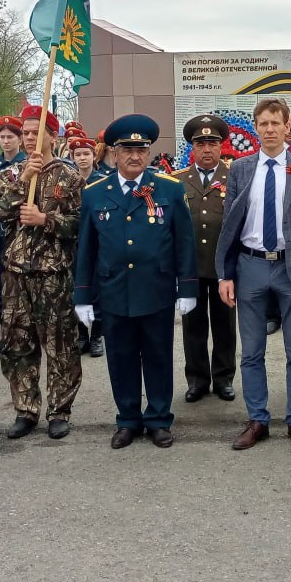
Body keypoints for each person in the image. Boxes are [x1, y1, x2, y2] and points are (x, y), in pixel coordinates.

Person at [75, 114, 196, 449]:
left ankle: (158, 418)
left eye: (141, 149)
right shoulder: (95, 193)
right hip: (113, 291)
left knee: (158, 356)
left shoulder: (169, 189)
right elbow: (86, 248)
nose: (134, 155)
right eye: (126, 148)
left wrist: (186, 288)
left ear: (148, 152)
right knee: (121, 357)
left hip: (155, 290)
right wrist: (82, 296)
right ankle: (127, 419)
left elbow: (184, 242)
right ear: (114, 153)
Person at [215, 98, 291, 452]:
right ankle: (257, 419)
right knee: (251, 351)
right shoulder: (241, 169)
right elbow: (230, 226)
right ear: (256, 127)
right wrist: (225, 274)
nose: (269, 130)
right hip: (250, 266)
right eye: (262, 124)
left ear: (286, 128)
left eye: (275, 123)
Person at [0, 105, 83, 441]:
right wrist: (25, 180)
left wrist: (47, 220)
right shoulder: (12, 174)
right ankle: (25, 409)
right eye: (25, 134)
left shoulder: (70, 176)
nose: (30, 139)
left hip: (53, 274)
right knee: (18, 345)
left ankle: (60, 410)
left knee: (60, 345)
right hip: (16, 274)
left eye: (36, 133)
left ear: (52, 136)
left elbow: (79, 224)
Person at [174, 114, 236, 401]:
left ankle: (223, 378)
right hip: (191, 266)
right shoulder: (177, 181)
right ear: (193, 148)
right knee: (193, 327)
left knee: (225, 326)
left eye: (212, 143)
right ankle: (197, 379)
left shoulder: (235, 177)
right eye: (201, 143)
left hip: (224, 267)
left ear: (221, 146)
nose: (207, 149)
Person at [0, 115, 26, 358]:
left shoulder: (28, 164)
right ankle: (4, 332)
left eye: (11, 137)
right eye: (2, 137)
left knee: (15, 282)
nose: (6, 141)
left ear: (19, 139)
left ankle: (18, 333)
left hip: (16, 231)